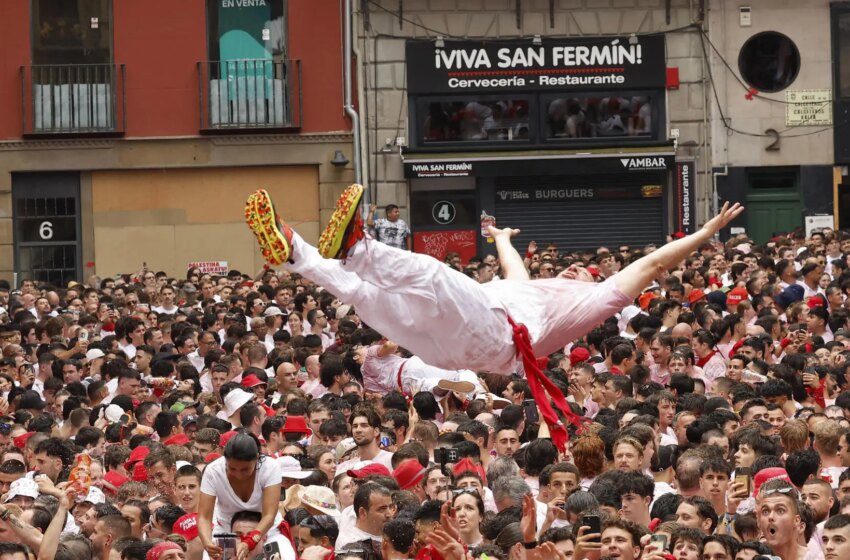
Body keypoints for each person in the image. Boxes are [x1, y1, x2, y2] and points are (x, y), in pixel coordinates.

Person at [244, 186, 744, 449]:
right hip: (446, 349)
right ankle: (295, 252)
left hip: (493, 338)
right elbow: (515, 272)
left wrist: (705, 232)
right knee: (370, 299)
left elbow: (653, 264)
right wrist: (503, 238)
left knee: (433, 275)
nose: (573, 270)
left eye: (581, 272)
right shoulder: (530, 286)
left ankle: (359, 246)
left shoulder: (592, 303)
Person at [198, 433, 291, 560]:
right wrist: (207, 543)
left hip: (267, 531)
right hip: (226, 532)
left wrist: (250, 541)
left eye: (245, 469)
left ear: (257, 458)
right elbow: (204, 517)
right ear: (225, 460)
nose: (239, 475)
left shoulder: (270, 467)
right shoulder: (213, 471)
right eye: (232, 468)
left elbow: (269, 515)